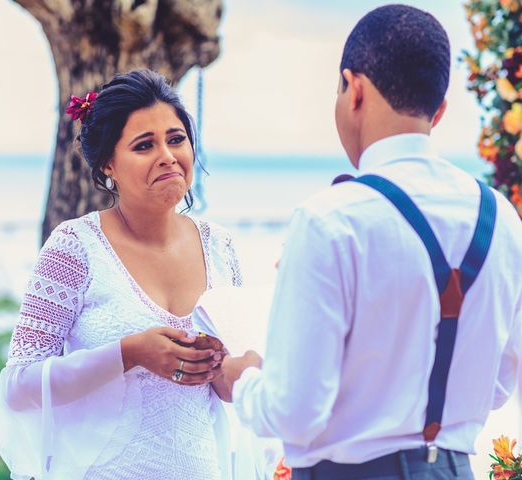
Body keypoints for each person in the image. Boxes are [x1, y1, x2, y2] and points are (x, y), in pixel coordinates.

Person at [221, 4, 522, 480]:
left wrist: (243, 380)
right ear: (439, 111)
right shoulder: (502, 218)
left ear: (353, 88)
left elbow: (294, 411)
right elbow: (501, 381)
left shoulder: (330, 220)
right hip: (452, 469)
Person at [0, 69, 242, 480]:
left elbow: (227, 390)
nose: (168, 156)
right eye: (144, 145)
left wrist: (228, 365)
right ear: (109, 164)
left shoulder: (220, 247)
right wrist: (129, 353)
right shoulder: (75, 247)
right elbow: (19, 389)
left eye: (176, 139)